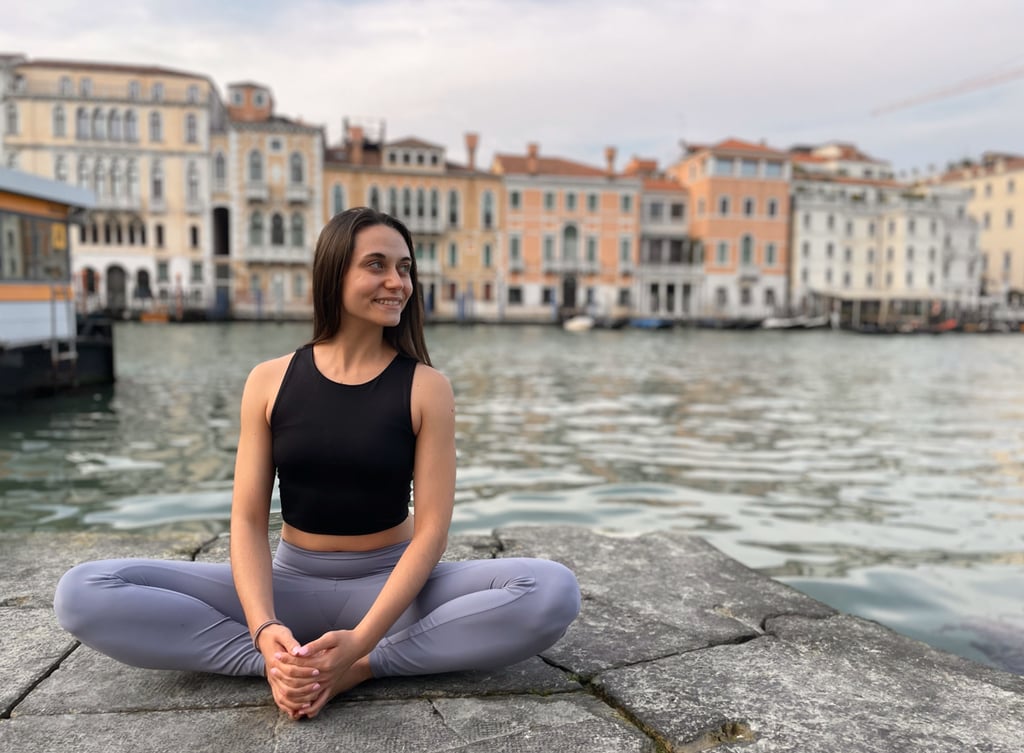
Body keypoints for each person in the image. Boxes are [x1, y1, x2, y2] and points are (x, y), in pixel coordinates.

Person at [54, 207, 581, 720]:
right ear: (334, 273)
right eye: (376, 265)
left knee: (552, 591)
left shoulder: (426, 387)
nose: (397, 282)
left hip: (395, 590)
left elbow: (433, 532)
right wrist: (263, 632)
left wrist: (359, 649)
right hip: (289, 586)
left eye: (404, 268)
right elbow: (245, 519)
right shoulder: (269, 380)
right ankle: (283, 667)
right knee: (83, 592)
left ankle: (361, 669)